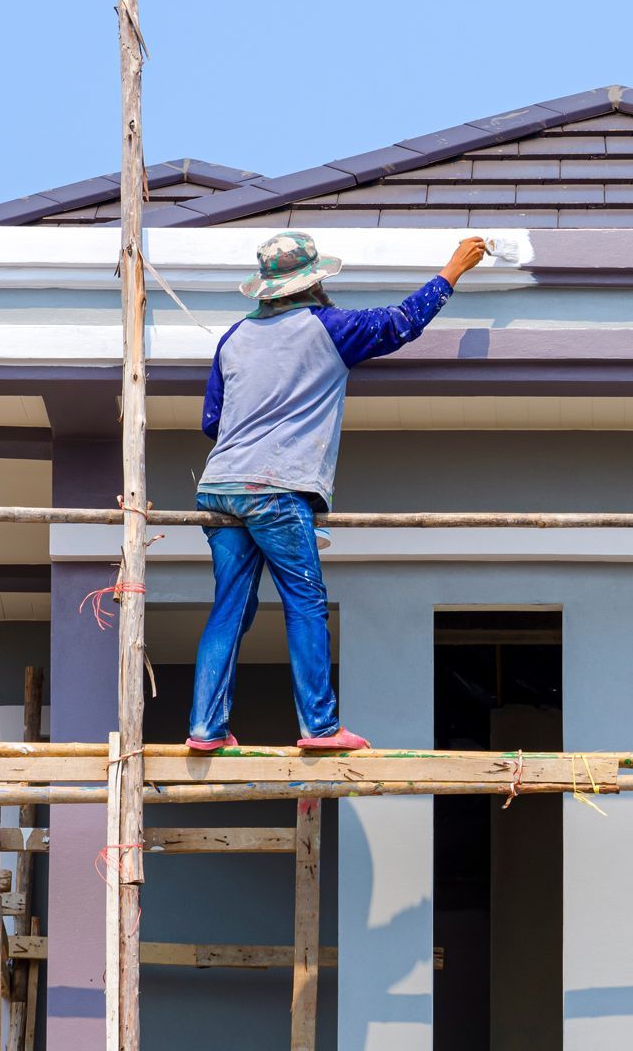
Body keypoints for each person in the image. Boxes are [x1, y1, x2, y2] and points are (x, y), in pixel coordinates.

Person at [186, 231, 490, 752]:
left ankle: (205, 728)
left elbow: (213, 420)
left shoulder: (233, 337)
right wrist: (453, 269)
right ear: (314, 283)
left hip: (220, 485)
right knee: (305, 602)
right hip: (276, 490)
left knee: (230, 607)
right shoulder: (327, 327)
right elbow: (401, 323)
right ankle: (320, 728)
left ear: (265, 289)